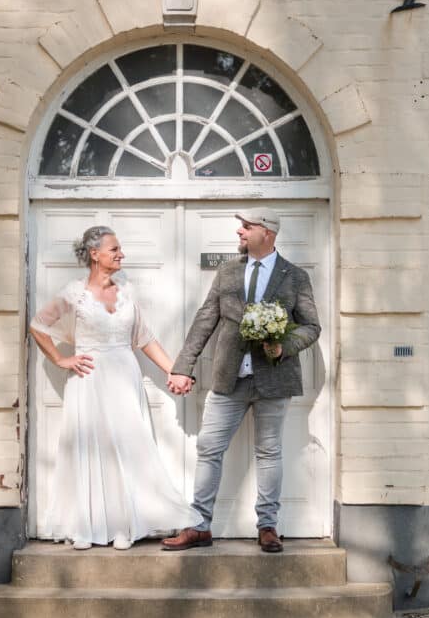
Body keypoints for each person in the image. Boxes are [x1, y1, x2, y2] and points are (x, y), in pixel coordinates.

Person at [29, 226, 201, 550]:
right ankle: (86, 526)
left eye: (120, 249)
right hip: (90, 380)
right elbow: (38, 326)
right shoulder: (73, 293)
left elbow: (146, 338)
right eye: (114, 249)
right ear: (94, 254)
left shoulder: (127, 292)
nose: (121, 254)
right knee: (90, 447)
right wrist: (59, 360)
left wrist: (174, 372)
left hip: (124, 376)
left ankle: (125, 525)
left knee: (129, 447)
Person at [163, 208, 321, 553]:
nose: (239, 232)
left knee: (269, 452)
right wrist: (182, 366)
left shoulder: (294, 277)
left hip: (275, 379)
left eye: (246, 227)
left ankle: (267, 525)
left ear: (267, 232)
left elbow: (312, 327)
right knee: (208, 448)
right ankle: (201, 525)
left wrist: (284, 346)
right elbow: (206, 317)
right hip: (229, 379)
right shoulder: (227, 272)